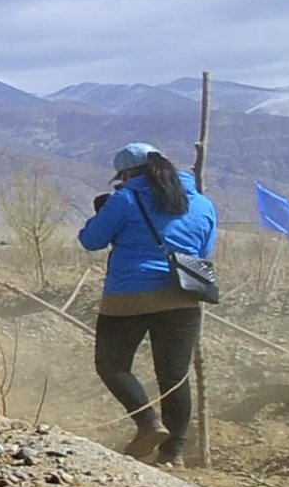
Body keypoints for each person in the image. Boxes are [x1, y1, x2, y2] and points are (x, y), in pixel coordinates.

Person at [77, 143, 218, 464]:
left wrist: (104, 211)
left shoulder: (125, 199)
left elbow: (90, 241)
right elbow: (204, 252)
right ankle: (174, 454)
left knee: (112, 365)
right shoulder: (203, 204)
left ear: (127, 174)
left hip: (129, 296)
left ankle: (148, 422)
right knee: (174, 377)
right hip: (182, 297)